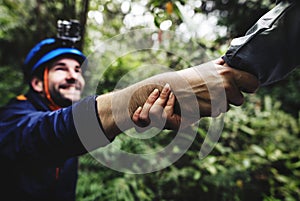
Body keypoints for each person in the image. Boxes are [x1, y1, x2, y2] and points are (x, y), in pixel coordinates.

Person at [0, 32, 258, 200]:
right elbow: (44, 135)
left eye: (78, 69)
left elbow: (69, 131)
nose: (73, 76)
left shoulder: (58, 113)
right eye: (60, 69)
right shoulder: (12, 118)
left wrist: (139, 113)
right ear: (36, 83)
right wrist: (134, 98)